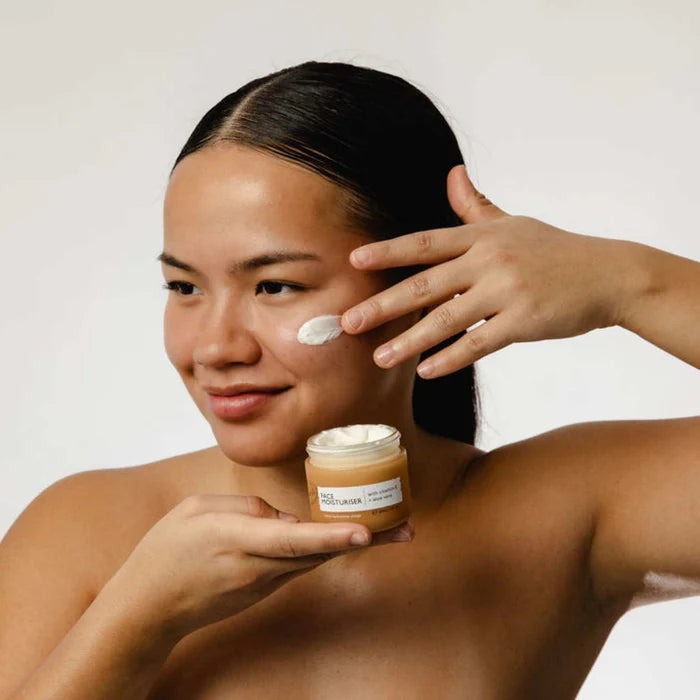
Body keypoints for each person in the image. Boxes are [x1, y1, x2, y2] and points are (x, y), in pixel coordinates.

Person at [0, 60, 698, 699]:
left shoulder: (565, 516)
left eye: (274, 286)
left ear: (429, 283)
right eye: (183, 287)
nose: (213, 347)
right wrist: (138, 620)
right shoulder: (87, 529)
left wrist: (626, 282)